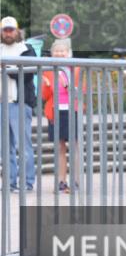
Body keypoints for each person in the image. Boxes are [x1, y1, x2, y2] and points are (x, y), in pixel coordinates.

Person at [40, 39, 83, 194]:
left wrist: (72, 88)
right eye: (56, 51)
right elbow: (44, 96)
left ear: (68, 53)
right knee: (60, 147)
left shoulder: (76, 69)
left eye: (62, 51)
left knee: (76, 146)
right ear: (52, 53)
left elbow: (82, 91)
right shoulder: (48, 70)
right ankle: (61, 181)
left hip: (73, 110)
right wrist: (45, 85)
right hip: (55, 111)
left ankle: (77, 181)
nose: (59, 53)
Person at [1, 16, 37, 192]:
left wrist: (6, 68)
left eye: (11, 29)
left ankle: (27, 182)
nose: (8, 33)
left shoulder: (27, 49)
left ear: (17, 30)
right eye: (5, 30)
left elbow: (29, 75)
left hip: (19, 102)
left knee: (23, 146)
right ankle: (9, 182)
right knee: (5, 148)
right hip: (2, 102)